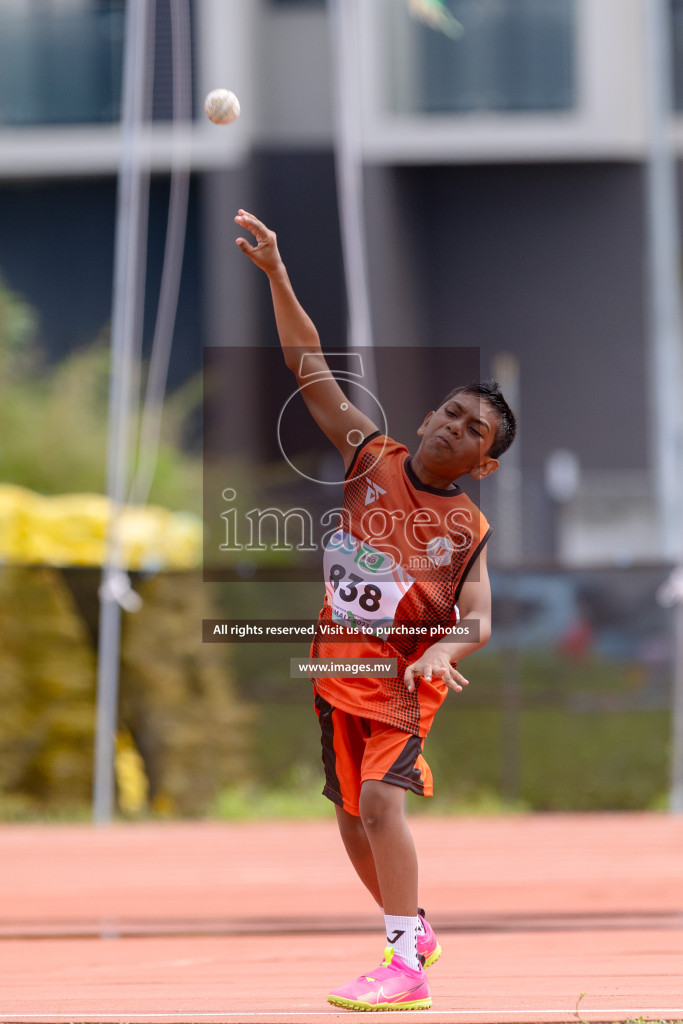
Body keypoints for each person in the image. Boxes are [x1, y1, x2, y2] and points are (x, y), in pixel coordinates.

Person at [235, 209, 517, 1012]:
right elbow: (308, 368)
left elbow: (478, 616)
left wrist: (441, 653)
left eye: (474, 431)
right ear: (425, 419)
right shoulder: (369, 454)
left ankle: (404, 966)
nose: (455, 429)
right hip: (337, 670)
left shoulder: (467, 527)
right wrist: (278, 275)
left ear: (484, 463)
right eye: (451, 414)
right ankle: (413, 926)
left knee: (384, 804)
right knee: (354, 820)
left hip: (403, 682)